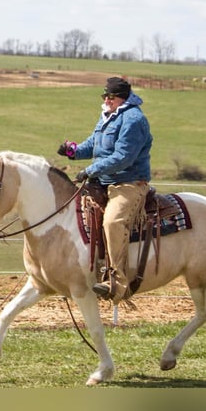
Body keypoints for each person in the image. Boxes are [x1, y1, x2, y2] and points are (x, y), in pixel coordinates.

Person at [57, 76, 152, 303]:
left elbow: (123, 157)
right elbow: (94, 144)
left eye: (111, 96)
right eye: (105, 96)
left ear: (123, 98)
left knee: (112, 222)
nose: (107, 100)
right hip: (104, 181)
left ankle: (117, 283)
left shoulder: (134, 120)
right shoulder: (109, 116)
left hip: (128, 183)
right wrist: (73, 151)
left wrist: (91, 169)